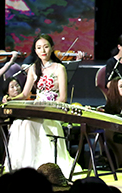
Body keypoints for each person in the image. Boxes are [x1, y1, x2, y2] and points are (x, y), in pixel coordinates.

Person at [4, 34, 78, 176]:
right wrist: (10, 100)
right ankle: (23, 166)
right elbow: (25, 94)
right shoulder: (33, 68)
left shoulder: (59, 68)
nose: (42, 50)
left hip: (51, 108)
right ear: (35, 51)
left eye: (45, 46)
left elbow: (62, 98)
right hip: (36, 108)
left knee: (28, 124)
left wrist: (49, 107)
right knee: (19, 123)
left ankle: (42, 168)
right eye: (39, 48)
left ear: (51, 48)